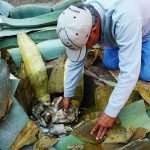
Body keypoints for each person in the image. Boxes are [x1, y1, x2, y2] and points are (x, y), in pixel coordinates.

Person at [56, 0, 150, 140]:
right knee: (109, 63)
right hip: (120, 33)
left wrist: (110, 113)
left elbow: (129, 73)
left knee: (145, 73)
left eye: (84, 46)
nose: (84, 51)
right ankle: (123, 42)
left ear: (94, 31)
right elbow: (76, 62)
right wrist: (67, 95)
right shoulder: (84, 14)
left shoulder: (125, 16)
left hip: (144, 32)